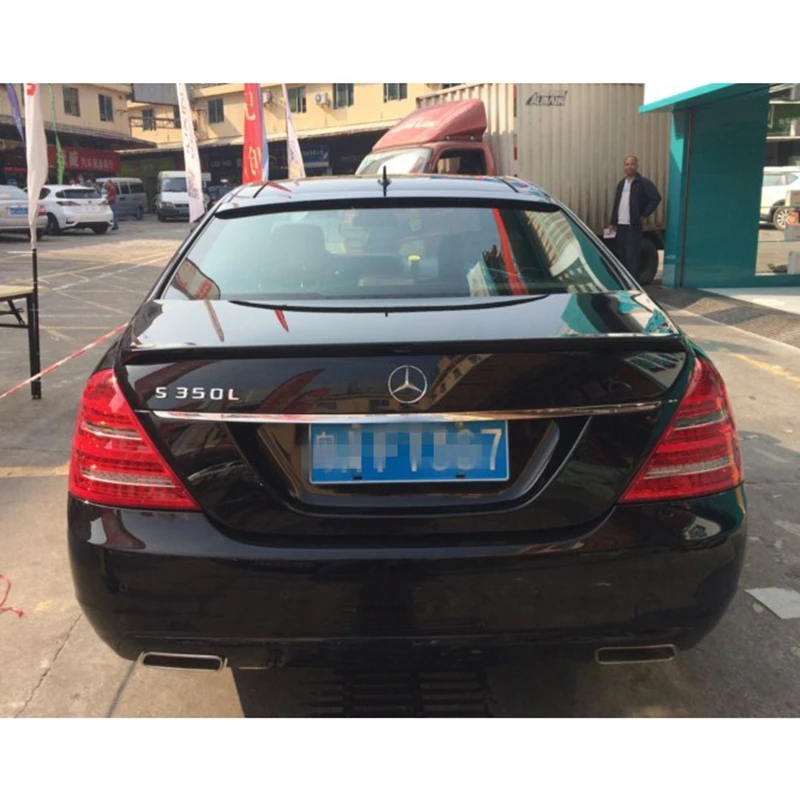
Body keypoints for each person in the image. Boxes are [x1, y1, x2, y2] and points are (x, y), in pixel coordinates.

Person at [608, 155, 661, 279]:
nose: (629, 167)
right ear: (624, 167)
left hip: (633, 226)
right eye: (627, 164)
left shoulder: (642, 183)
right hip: (620, 226)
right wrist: (613, 222)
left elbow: (656, 198)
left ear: (637, 166)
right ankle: (625, 282)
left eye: (632, 164)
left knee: (632, 257)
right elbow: (617, 204)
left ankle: (633, 283)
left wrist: (644, 214)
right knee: (622, 256)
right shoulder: (622, 184)